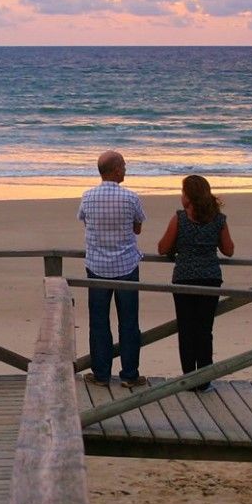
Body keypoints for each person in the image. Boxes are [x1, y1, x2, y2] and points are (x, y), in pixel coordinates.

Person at [157, 174, 235, 387]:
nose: (181, 196)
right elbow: (228, 250)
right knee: (204, 330)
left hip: (184, 277)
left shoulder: (180, 218)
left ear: (189, 196)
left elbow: (162, 248)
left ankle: (189, 377)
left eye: (183, 192)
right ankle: (204, 379)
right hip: (210, 278)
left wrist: (179, 246)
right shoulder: (218, 219)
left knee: (186, 329)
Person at [78, 149, 147, 389]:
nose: (126, 169)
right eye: (124, 166)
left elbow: (85, 222)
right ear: (116, 170)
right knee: (129, 322)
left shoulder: (88, 196)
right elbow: (138, 228)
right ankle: (129, 374)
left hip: (96, 266)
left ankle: (101, 374)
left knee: (98, 322)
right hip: (126, 265)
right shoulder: (130, 197)